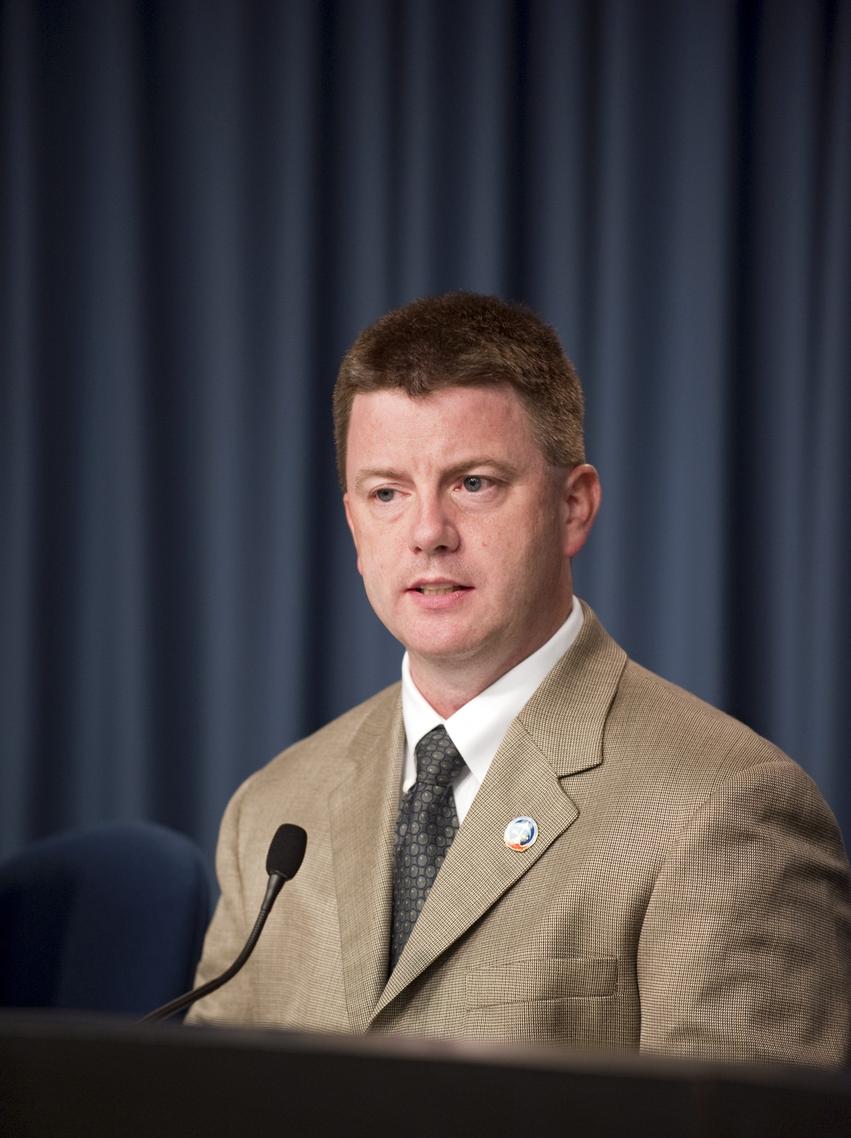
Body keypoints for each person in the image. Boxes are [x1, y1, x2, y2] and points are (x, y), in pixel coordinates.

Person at [188, 292, 851, 1066]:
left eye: (473, 483)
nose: (428, 534)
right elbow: (203, 1133)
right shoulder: (272, 811)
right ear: (353, 525)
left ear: (573, 508)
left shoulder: (726, 809)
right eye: (387, 493)